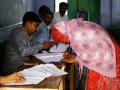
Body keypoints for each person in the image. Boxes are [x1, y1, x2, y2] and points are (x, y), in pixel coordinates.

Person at [51, 18, 120, 90]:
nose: (66, 42)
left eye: (64, 40)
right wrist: (75, 57)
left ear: (64, 34)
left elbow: (90, 56)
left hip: (107, 59)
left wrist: (76, 59)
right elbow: (90, 48)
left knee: (96, 85)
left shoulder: (76, 34)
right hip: (112, 51)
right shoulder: (77, 26)